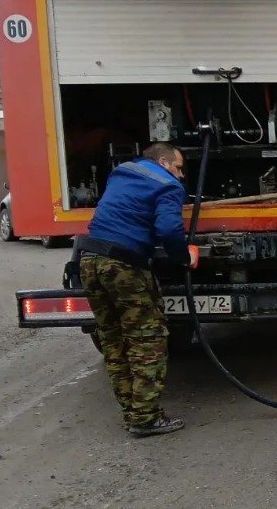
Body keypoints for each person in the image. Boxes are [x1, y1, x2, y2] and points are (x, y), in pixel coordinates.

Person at [75, 143, 193, 437]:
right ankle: (145, 418)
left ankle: (133, 411)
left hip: (88, 260)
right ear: (164, 162)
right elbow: (168, 230)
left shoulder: (121, 172)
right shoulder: (168, 186)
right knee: (147, 339)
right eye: (178, 168)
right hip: (123, 266)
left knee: (113, 338)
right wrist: (184, 256)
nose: (180, 176)